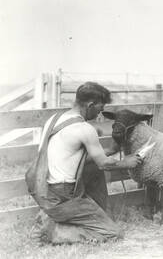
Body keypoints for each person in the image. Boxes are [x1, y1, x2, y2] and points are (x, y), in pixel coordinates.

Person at [26, 82, 145, 244]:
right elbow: (103, 164)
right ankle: (52, 231)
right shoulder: (84, 128)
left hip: (43, 190)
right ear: (90, 105)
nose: (100, 114)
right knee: (113, 233)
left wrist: (110, 151)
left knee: (93, 171)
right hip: (64, 195)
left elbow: (67, 157)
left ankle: (52, 216)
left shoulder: (54, 120)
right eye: (100, 108)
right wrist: (127, 162)